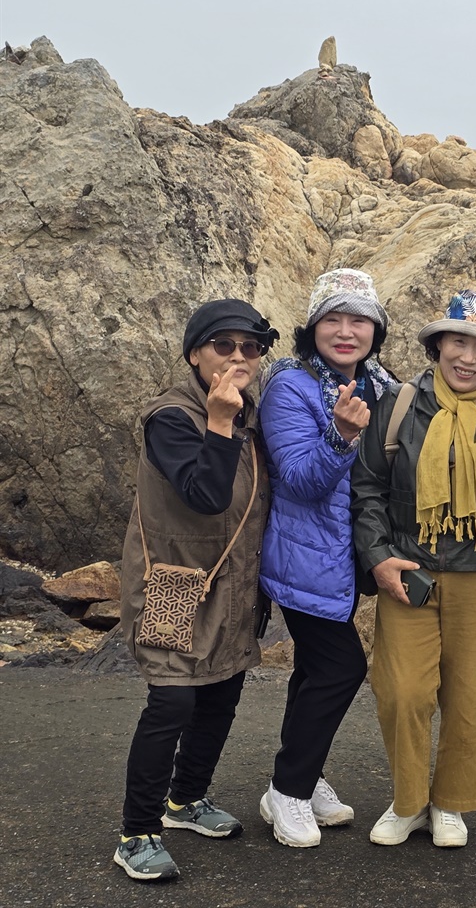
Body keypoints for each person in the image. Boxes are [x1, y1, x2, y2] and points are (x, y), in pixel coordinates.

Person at [352, 289, 476, 849]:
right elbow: (368, 489)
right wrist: (379, 557)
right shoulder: (400, 403)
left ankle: (450, 804)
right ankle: (408, 802)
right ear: (438, 345)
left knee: (469, 693)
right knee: (402, 691)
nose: (468, 357)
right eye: (458, 341)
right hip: (411, 568)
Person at [114, 299, 278, 881]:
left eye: (250, 347)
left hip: (234, 584)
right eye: (222, 346)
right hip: (174, 585)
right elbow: (204, 494)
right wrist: (218, 422)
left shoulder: (252, 414)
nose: (237, 357)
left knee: (221, 695)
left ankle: (186, 800)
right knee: (172, 703)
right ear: (194, 353)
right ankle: (137, 833)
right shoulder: (171, 417)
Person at [257, 268, 396, 847]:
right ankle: (287, 791)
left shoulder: (382, 386)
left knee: (315, 670)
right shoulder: (289, 385)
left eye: (358, 320)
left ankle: (302, 776)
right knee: (341, 668)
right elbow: (299, 479)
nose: (345, 331)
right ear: (311, 327)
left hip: (349, 555)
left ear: (376, 330)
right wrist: (340, 435)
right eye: (331, 319)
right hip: (304, 558)